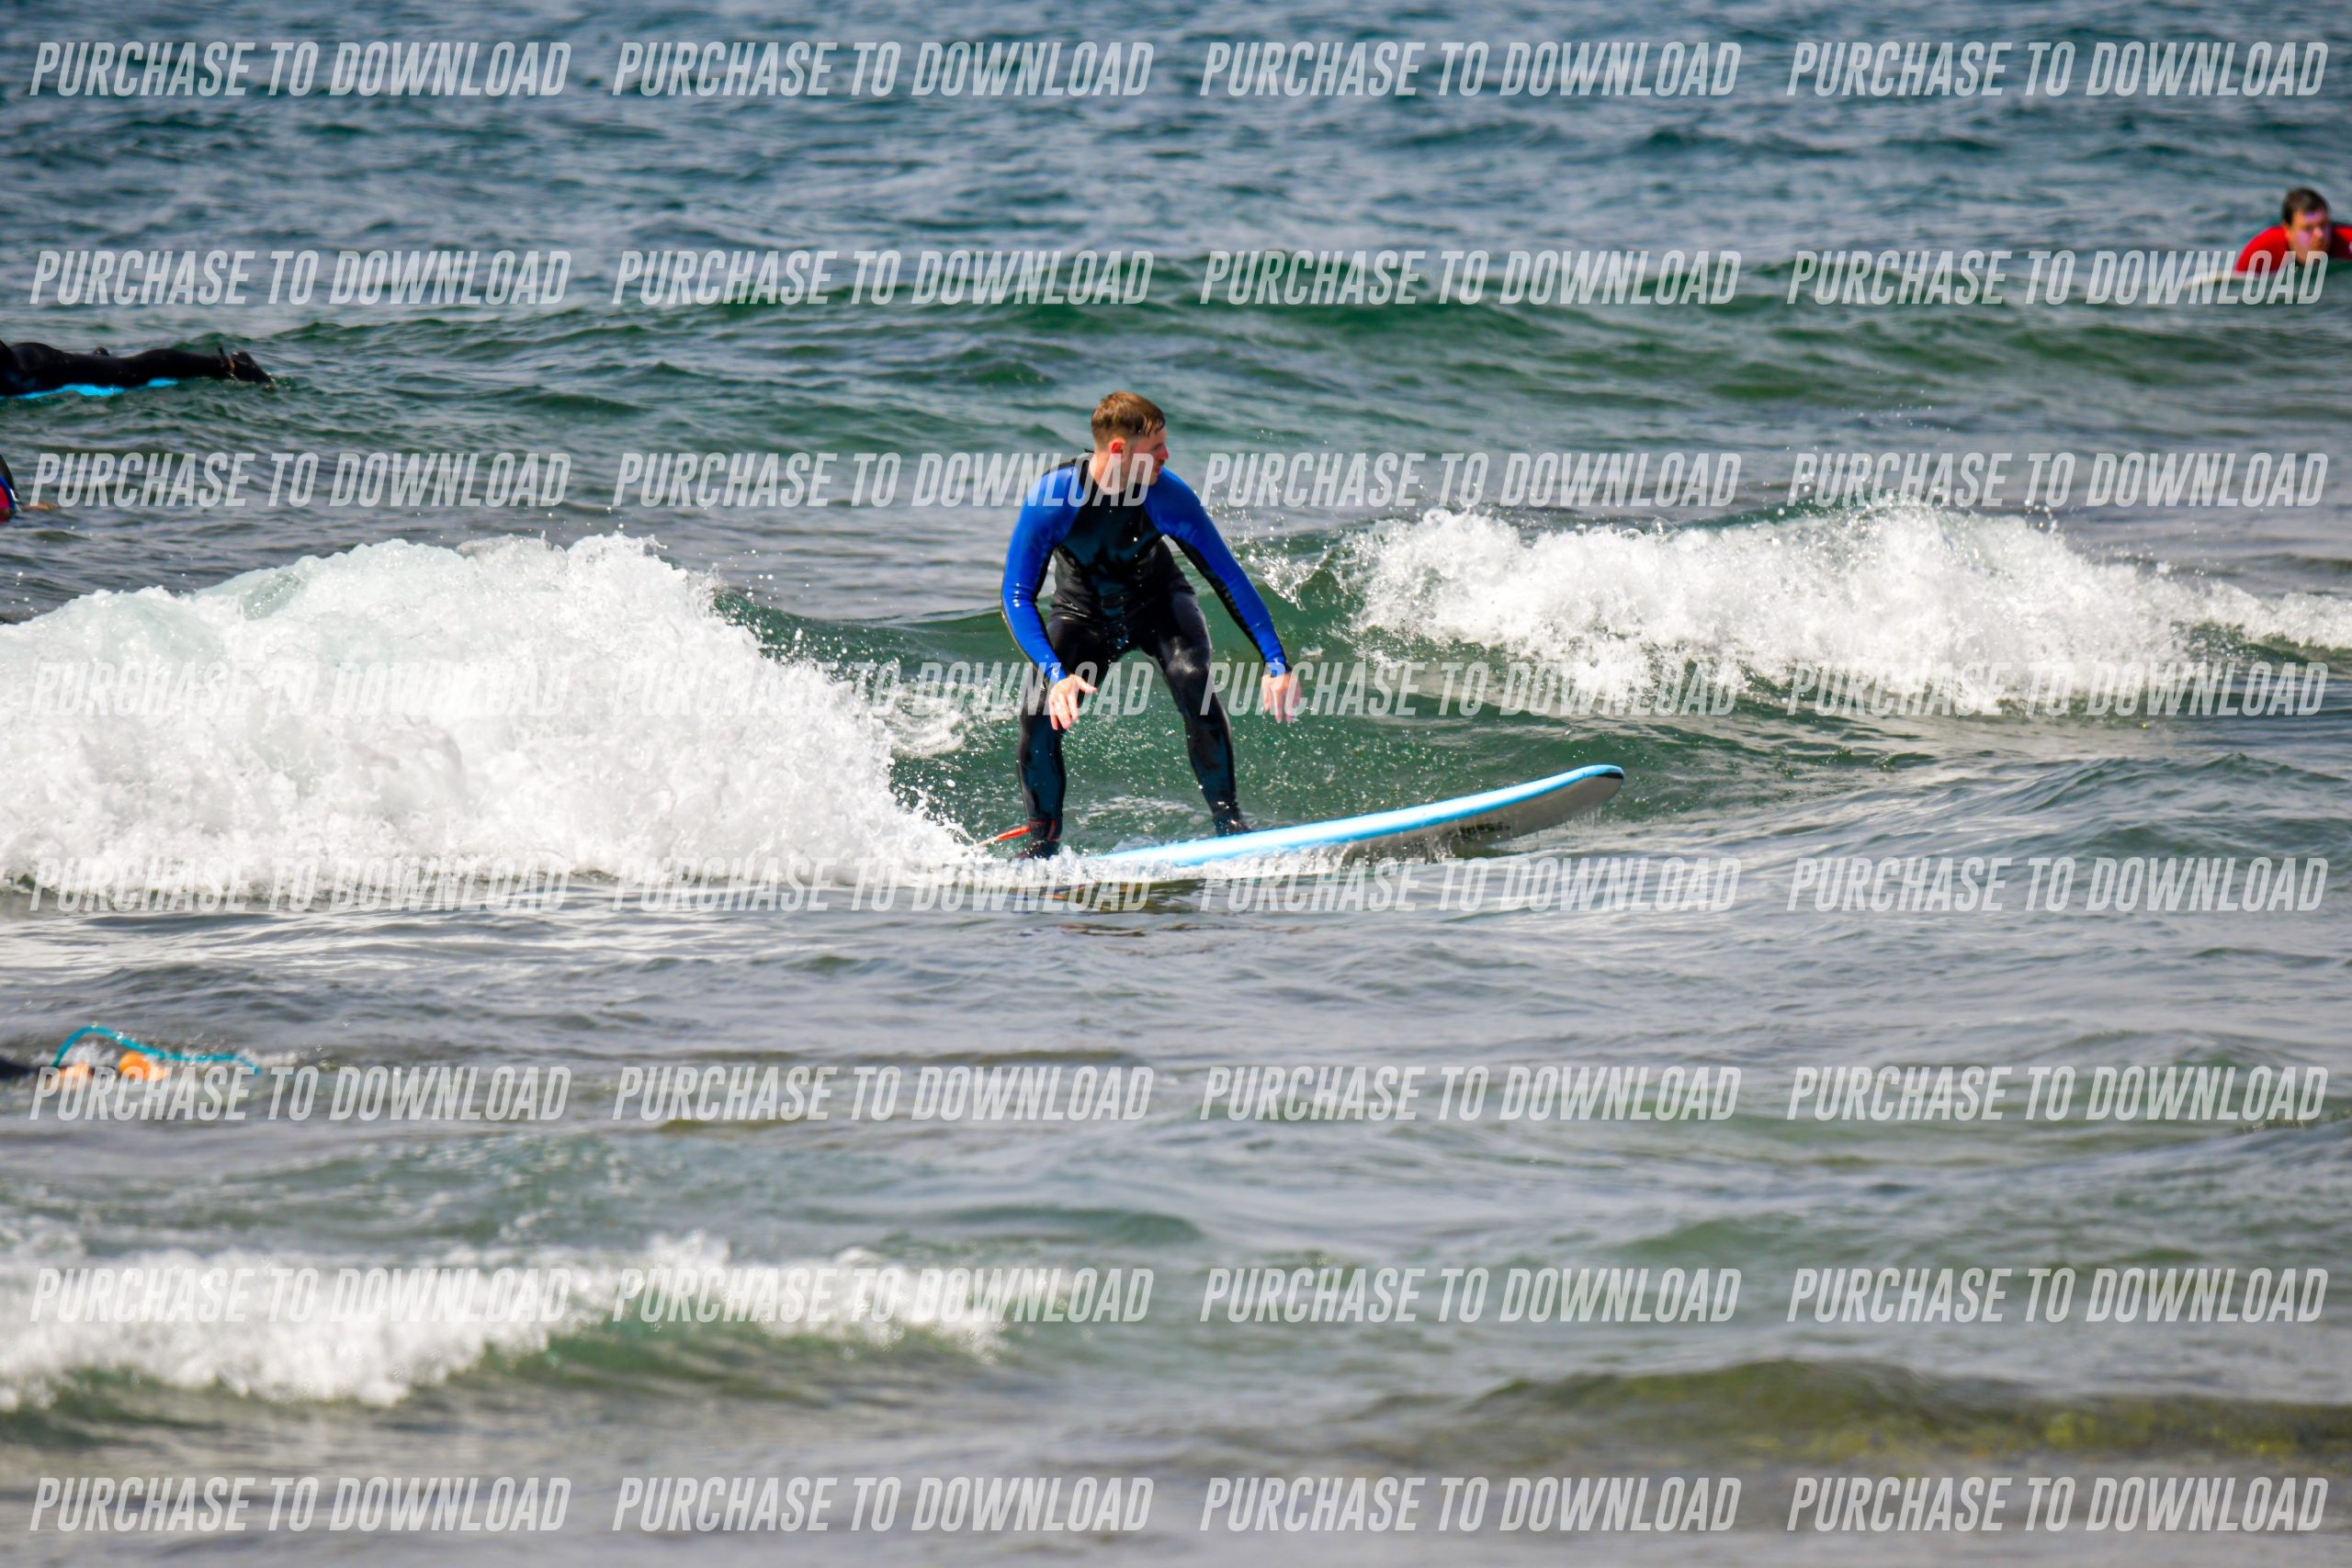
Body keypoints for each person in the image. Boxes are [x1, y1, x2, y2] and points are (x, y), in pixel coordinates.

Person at [1001, 392, 1301, 856]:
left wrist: (1276, 662)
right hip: (1082, 613)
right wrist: (1057, 674)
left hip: (1158, 602)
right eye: (1156, 447)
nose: (1166, 455)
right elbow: (1016, 596)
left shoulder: (1167, 495)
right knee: (1040, 712)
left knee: (1193, 678)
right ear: (1119, 450)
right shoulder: (1054, 499)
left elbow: (1227, 577)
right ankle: (1043, 841)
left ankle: (1230, 823)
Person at [0, 338, 270, 398]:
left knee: (131, 373)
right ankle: (97, 359)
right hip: (22, 362)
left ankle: (230, 365)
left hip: (37, 368)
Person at [2234, 186, 2352, 274]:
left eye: (2324, 225)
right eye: (2308, 228)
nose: (2320, 234)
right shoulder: (2263, 250)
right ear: (2287, 229)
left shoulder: (2347, 241)